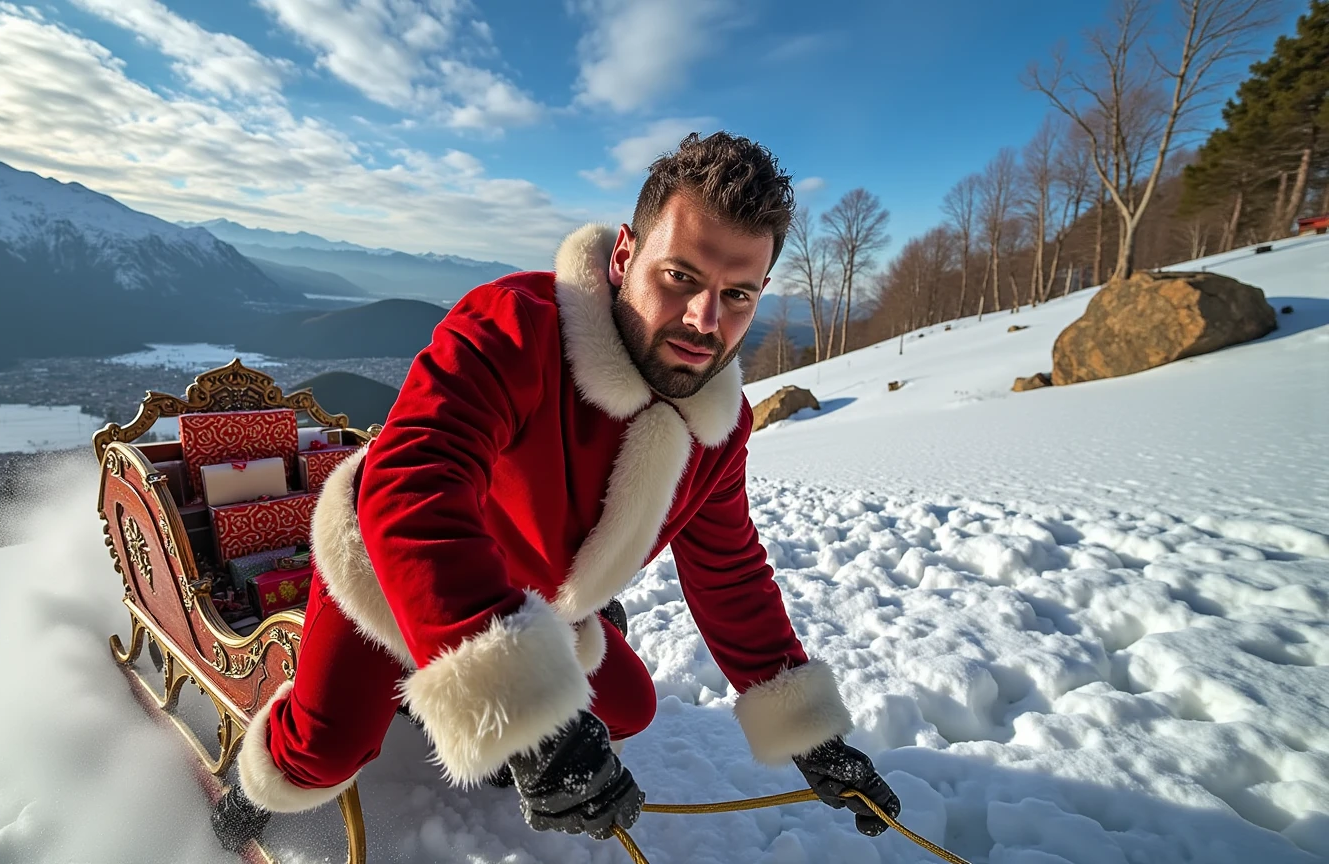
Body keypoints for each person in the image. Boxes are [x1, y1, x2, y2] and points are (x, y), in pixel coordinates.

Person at [212, 131, 901, 851]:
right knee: (322, 752)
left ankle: (445, 698)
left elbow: (728, 570)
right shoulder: (515, 324)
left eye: (737, 295)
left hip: (526, 600)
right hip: (389, 566)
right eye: (680, 278)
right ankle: (242, 796)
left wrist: (811, 735)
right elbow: (414, 485)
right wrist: (518, 706)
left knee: (628, 708)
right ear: (626, 257)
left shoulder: (717, 431)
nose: (705, 321)